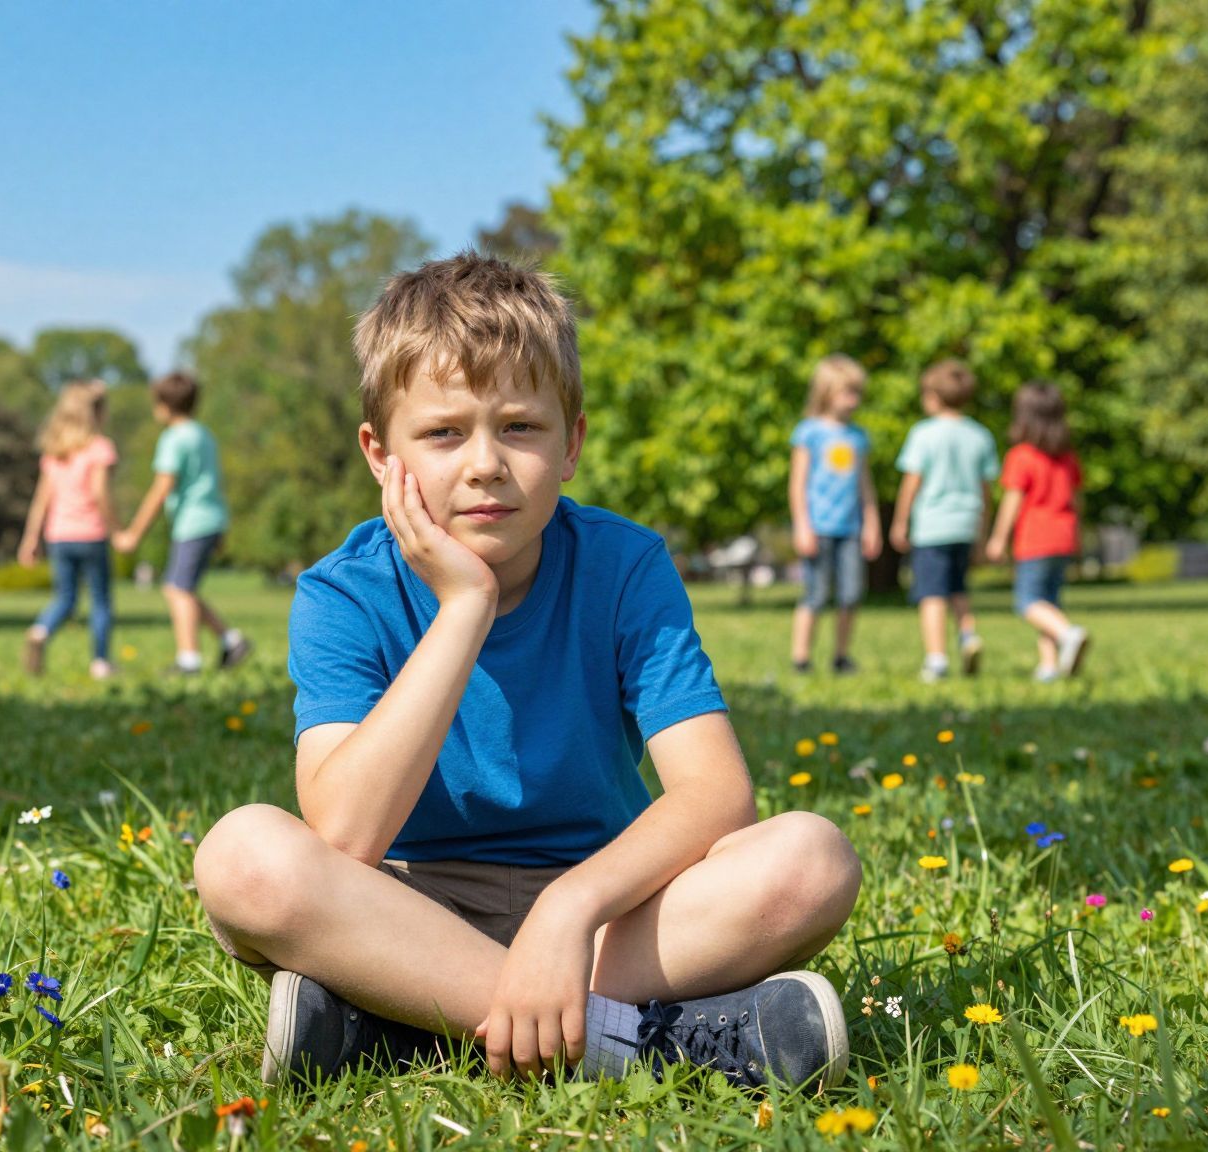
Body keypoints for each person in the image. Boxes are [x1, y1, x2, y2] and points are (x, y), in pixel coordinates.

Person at [192, 254, 860, 1094]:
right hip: (407, 912)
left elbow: (717, 794)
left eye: (519, 427)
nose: (484, 464)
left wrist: (567, 911)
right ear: (379, 453)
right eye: (442, 433)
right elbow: (346, 834)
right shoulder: (342, 593)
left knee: (812, 859)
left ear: (571, 441)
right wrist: (463, 608)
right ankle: (632, 1043)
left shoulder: (624, 565)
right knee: (243, 859)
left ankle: (404, 1026)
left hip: (608, 915)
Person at [113, 371, 251, 674]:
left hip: (193, 522)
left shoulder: (174, 438)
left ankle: (189, 659)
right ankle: (231, 639)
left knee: (177, 589)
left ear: (163, 405)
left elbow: (161, 488)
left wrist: (134, 533)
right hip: (212, 519)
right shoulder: (203, 434)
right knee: (182, 587)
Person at [889, 360, 997, 682]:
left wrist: (899, 522)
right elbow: (986, 490)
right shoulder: (980, 436)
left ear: (933, 397)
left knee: (932, 593)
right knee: (958, 587)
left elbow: (912, 482)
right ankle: (967, 635)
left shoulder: (923, 433)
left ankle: (936, 658)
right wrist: (983, 530)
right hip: (965, 524)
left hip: (933, 526)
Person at [985, 382, 1091, 682]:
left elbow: (1012, 502)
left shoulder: (1022, 456)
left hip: (1036, 538)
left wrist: (997, 539)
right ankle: (1049, 665)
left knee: (1028, 602)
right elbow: (1077, 500)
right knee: (1049, 602)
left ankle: (1068, 634)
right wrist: (1079, 537)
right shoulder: (1068, 458)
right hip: (1064, 536)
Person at [787, 355, 881, 675]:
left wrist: (872, 524)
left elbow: (865, 487)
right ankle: (801, 658)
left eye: (857, 393)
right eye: (847, 392)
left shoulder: (858, 437)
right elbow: (797, 485)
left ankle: (841, 656)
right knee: (815, 595)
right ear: (826, 392)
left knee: (851, 595)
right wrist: (802, 526)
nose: (854, 400)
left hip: (850, 529)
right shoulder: (808, 432)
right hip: (818, 527)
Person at [19, 380, 118, 681]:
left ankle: (40, 630)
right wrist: (116, 529)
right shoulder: (99, 448)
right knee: (100, 600)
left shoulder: (55, 452)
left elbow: (41, 500)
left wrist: (30, 539)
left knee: (65, 598)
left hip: (59, 535)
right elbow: (100, 493)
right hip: (91, 533)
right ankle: (101, 662)